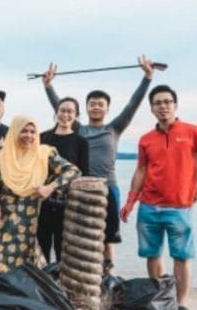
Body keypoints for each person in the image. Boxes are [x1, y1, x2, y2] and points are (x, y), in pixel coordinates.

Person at [120, 84, 197, 310]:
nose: (163, 106)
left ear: (175, 105)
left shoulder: (193, 131)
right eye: (158, 103)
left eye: (167, 102)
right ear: (151, 108)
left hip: (179, 208)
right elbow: (141, 170)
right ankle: (162, 301)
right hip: (148, 207)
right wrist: (130, 201)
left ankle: (182, 305)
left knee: (182, 257)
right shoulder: (146, 139)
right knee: (152, 255)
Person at [43, 56, 155, 267]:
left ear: (107, 109)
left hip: (108, 188)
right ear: (85, 109)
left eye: (100, 105)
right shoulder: (79, 129)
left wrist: (147, 78)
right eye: (92, 104)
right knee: (81, 236)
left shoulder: (114, 128)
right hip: (81, 189)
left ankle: (108, 277)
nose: (95, 107)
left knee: (107, 237)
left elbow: (133, 104)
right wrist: (48, 86)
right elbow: (62, 110)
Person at [0, 116, 81, 276]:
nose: (29, 135)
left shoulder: (44, 154)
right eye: (23, 131)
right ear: (14, 133)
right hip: (2, 225)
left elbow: (73, 171)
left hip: (30, 227)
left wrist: (49, 187)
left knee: (32, 275)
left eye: (33, 131)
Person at [37, 97, 90, 263]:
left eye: (70, 111)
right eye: (62, 110)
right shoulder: (42, 137)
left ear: (76, 115)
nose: (65, 114)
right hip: (42, 200)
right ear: (56, 112)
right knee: (42, 245)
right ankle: (43, 284)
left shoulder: (81, 142)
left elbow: (84, 174)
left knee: (64, 248)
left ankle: (60, 286)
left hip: (68, 203)